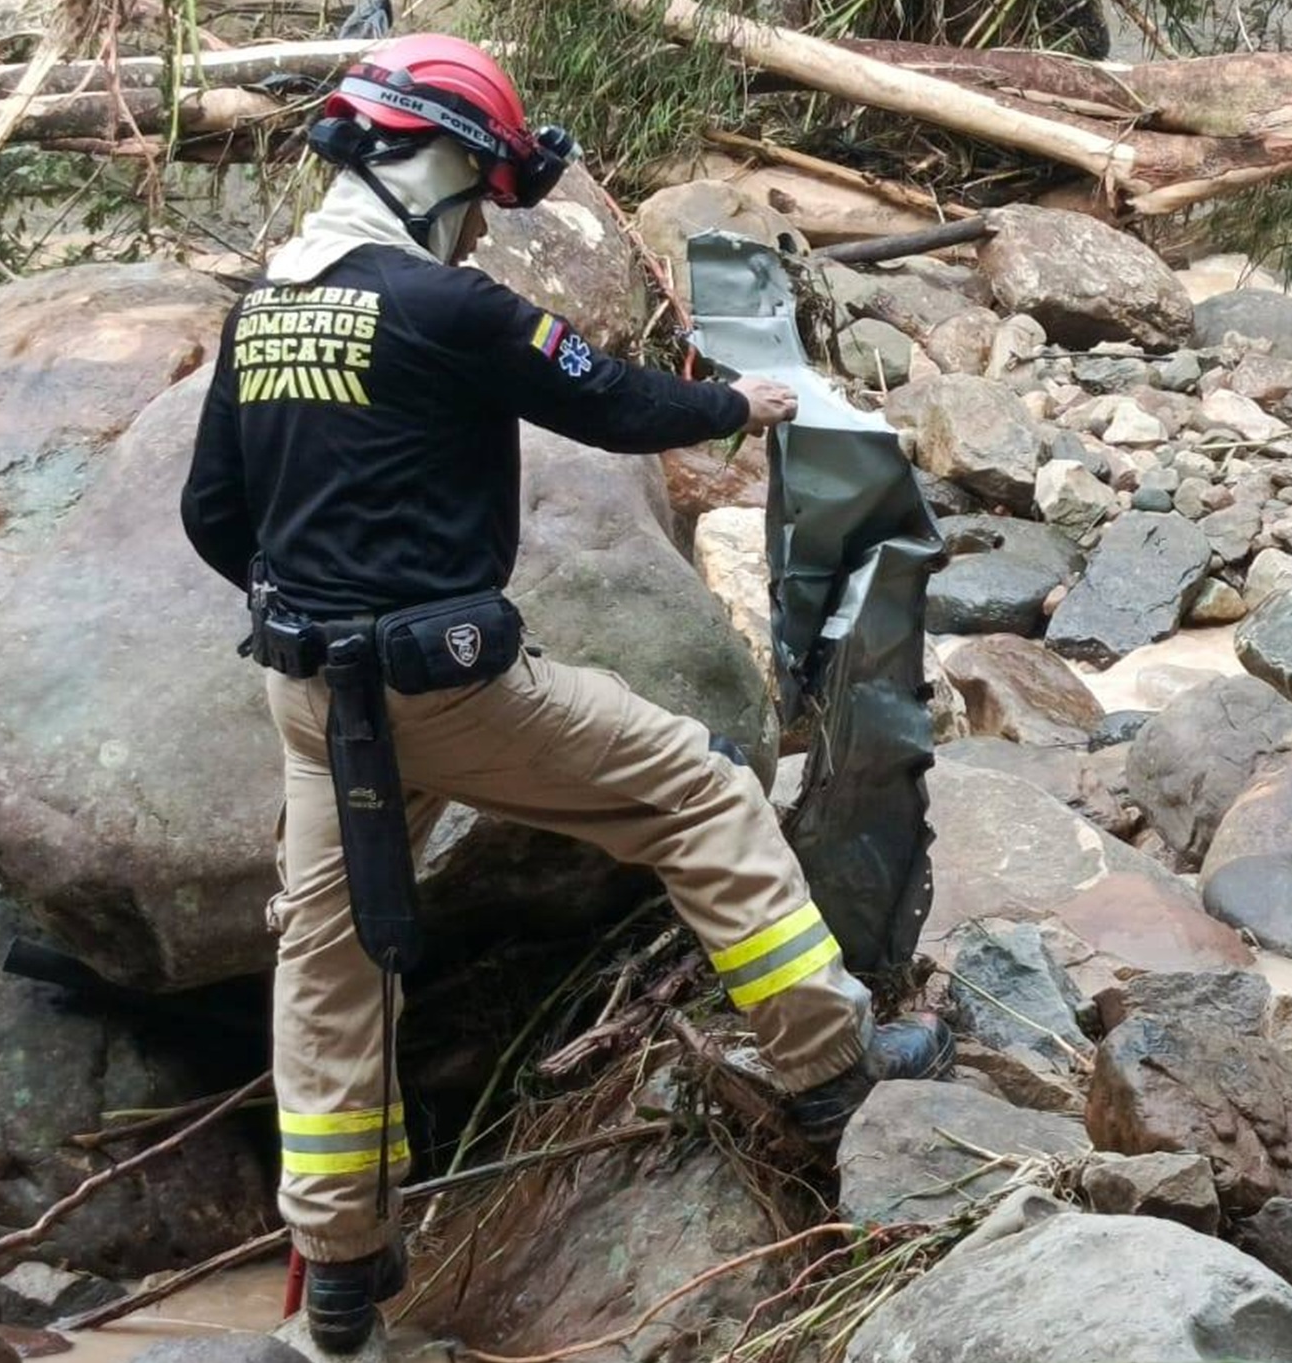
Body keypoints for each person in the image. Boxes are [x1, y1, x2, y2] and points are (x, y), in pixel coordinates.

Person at [177, 34, 951, 1353]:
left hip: (312, 702)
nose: (482, 215)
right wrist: (736, 406)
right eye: (479, 186)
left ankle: (344, 1274)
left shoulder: (268, 307)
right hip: (451, 689)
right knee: (700, 795)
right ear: (427, 161)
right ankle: (825, 1064)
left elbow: (213, 517)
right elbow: (606, 402)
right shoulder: (451, 309)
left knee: (331, 963)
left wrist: (324, 599)